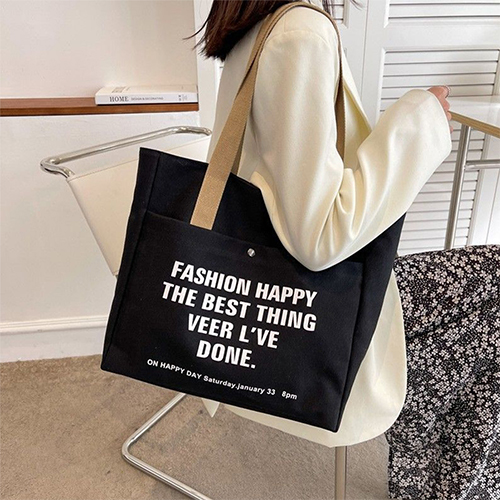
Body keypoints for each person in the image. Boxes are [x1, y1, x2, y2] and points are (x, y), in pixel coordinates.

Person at [189, 0, 453, 447]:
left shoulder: (259, 22)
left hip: (259, 291)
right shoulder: (300, 32)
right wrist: (418, 128)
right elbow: (321, 238)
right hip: (310, 309)